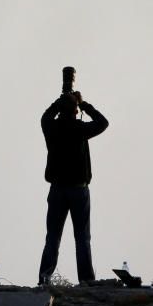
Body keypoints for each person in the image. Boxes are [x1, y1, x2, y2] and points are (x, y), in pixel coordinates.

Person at [37, 91, 108, 285]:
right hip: (79, 189)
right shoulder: (80, 128)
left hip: (57, 189)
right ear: (76, 111)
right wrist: (84, 104)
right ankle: (86, 280)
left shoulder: (51, 126)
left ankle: (45, 278)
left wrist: (58, 102)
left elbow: (45, 116)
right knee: (82, 238)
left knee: (53, 236)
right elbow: (103, 122)